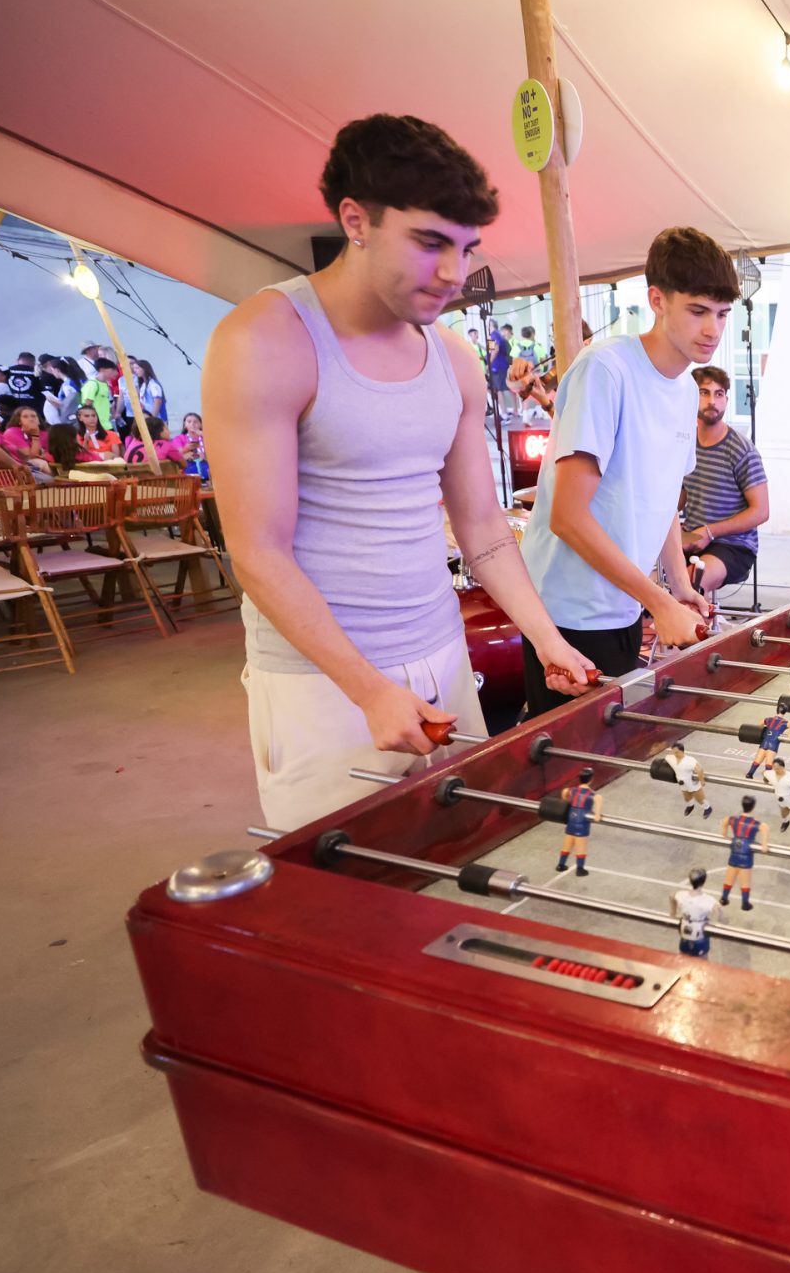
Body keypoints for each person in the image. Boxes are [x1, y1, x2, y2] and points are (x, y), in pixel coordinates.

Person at [202, 113, 595, 828]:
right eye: (429, 242)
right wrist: (368, 689)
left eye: (465, 248)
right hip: (324, 679)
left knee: (465, 848)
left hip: (442, 652)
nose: (453, 272)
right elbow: (257, 552)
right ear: (356, 220)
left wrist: (545, 637)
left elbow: (483, 529)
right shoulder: (265, 339)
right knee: (348, 876)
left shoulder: (455, 359)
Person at [518, 227, 734, 716]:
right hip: (568, 611)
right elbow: (567, 517)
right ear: (657, 300)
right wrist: (659, 602)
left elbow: (663, 500)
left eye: (722, 314)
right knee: (574, 755)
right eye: (698, 311)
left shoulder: (686, 390)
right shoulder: (606, 369)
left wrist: (679, 587)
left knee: (616, 748)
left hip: (624, 603)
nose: (713, 329)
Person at [680, 366, 769, 599]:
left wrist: (710, 532)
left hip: (733, 545)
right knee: (644, 576)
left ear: (726, 400)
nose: (712, 401)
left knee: (691, 583)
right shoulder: (685, 444)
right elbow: (680, 496)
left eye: (719, 394)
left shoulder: (741, 450)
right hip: (693, 536)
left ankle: (699, 618)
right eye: (704, 393)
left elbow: (761, 511)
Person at [719, 795, 763, 910]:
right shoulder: (754, 823)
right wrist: (764, 844)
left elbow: (725, 820)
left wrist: (725, 835)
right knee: (745, 880)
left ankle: (724, 897)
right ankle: (745, 902)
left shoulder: (734, 820)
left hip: (735, 850)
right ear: (753, 807)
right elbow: (764, 828)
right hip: (746, 854)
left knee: (729, 877)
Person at [555, 767, 596, 876]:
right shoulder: (592, 794)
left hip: (572, 820)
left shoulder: (572, 790)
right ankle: (580, 869)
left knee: (567, 845)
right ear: (591, 779)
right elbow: (596, 816)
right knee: (581, 847)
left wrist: (568, 802)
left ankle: (561, 865)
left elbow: (564, 792)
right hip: (582, 822)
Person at [671, 869, 720, 958]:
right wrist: (714, 925)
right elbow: (717, 909)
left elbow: (672, 896)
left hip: (684, 933)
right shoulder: (707, 900)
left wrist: (673, 913)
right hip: (699, 935)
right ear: (703, 882)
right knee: (702, 962)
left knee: (683, 958)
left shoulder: (682, 895)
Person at [664, 741, 711, 817]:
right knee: (687, 797)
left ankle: (707, 808)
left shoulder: (690, 760)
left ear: (682, 751)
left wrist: (702, 780)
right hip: (681, 782)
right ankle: (690, 806)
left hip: (692, 782)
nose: (675, 754)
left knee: (699, 798)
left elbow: (699, 769)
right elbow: (665, 760)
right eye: (673, 752)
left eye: (676, 752)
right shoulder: (670, 758)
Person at [0, 406, 52, 471]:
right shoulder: (11, 432)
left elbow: (51, 453)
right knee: (42, 463)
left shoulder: (45, 434)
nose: (31, 419)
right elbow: (30, 457)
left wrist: (46, 456)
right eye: (25, 417)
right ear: (19, 421)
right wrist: (35, 436)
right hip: (21, 467)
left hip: (44, 464)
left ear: (39, 421)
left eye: (33, 416)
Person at [39, 356, 80, 425]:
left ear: (57, 370)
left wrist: (55, 403)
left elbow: (71, 403)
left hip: (69, 418)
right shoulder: (68, 383)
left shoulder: (68, 385)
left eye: (52, 370)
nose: (52, 373)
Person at [79, 362, 115, 435]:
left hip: (106, 424)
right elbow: (87, 405)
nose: (114, 373)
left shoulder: (105, 384)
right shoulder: (92, 384)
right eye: (112, 370)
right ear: (102, 369)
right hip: (96, 427)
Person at [130, 359, 167, 424]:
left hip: (157, 419)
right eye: (134, 368)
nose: (135, 370)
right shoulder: (143, 384)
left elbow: (157, 401)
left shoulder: (153, 384)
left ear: (144, 369)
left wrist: (152, 418)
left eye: (137, 368)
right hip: (147, 417)